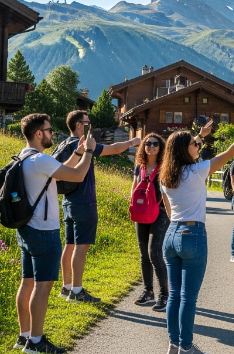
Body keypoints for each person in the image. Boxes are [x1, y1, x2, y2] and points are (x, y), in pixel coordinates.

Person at [161, 113, 234, 354]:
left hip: (171, 235)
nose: (199, 145)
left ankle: (174, 343)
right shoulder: (197, 172)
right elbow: (227, 154)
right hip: (192, 233)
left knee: (174, 296)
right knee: (188, 297)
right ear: (185, 150)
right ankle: (186, 346)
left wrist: (199, 135)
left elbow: (168, 208)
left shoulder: (166, 176)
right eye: (195, 144)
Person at [14, 113, 96, 353]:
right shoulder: (40, 159)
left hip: (26, 229)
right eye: (49, 130)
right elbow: (78, 175)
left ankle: (24, 336)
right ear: (38, 133)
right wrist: (89, 151)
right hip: (44, 231)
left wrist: (79, 152)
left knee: (26, 282)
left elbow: (61, 168)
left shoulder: (25, 156)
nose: (53, 133)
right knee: (42, 286)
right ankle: (36, 342)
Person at [59, 110, 140, 303]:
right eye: (87, 123)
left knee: (69, 245)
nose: (90, 127)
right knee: (81, 246)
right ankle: (77, 292)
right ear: (79, 125)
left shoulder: (63, 144)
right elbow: (113, 149)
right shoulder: (85, 145)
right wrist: (131, 142)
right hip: (84, 201)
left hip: (68, 201)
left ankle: (66, 287)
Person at [131, 133, 170, 312]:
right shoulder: (140, 166)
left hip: (160, 212)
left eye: (155, 143)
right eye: (147, 143)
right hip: (141, 212)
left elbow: (170, 191)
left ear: (160, 147)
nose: (151, 146)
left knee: (154, 253)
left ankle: (164, 294)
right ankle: (148, 292)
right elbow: (134, 185)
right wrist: (132, 205)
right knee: (143, 255)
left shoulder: (165, 167)